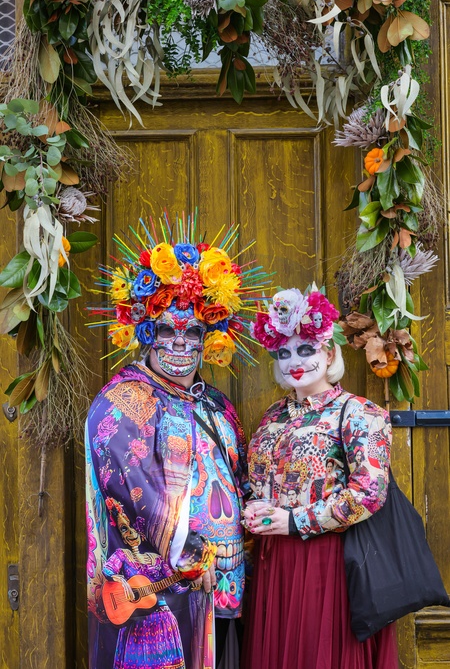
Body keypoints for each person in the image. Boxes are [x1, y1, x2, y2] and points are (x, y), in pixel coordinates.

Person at [86, 220, 265, 669]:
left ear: (210, 338)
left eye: (194, 333)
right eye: (167, 331)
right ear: (146, 333)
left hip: (226, 583)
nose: (181, 342)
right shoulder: (124, 402)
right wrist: (190, 554)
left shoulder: (217, 404)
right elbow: (133, 492)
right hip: (166, 589)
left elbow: (241, 479)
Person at [242, 285, 398, 669]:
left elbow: (369, 492)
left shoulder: (359, 412)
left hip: (327, 564)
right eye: (284, 353)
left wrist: (295, 521)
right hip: (273, 561)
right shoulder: (272, 416)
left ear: (329, 353)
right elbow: (258, 480)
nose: (294, 361)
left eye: (306, 349)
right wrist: (255, 506)